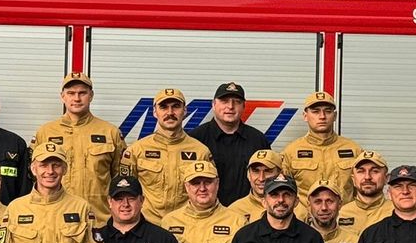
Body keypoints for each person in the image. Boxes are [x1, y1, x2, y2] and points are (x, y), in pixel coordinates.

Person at [30, 72, 126, 224]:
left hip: (99, 220)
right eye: (71, 93)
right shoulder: (45, 132)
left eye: (82, 93)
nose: (76, 98)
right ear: (62, 96)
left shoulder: (110, 132)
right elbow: (34, 178)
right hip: (56, 219)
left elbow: (120, 179)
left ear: (91, 96)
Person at [122, 88, 211, 223]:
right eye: (163, 107)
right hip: (147, 225)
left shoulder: (201, 152)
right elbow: (125, 191)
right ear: (154, 112)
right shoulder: (136, 150)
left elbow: (209, 193)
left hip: (187, 225)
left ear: (185, 111)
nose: (170, 112)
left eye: (176, 106)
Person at [191, 82, 272, 206]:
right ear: (213, 104)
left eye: (237, 102)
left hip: (248, 211)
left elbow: (270, 178)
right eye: (224, 101)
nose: (230, 106)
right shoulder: (196, 139)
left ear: (243, 106)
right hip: (208, 212)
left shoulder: (258, 140)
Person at [281, 91, 362, 203]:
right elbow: (283, 192)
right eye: (315, 111)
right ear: (305, 116)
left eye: (328, 111)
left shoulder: (354, 150)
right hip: (305, 213)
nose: (322, 116)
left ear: (335, 116)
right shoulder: (291, 152)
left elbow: (363, 191)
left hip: (343, 213)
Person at [228, 149, 283, 226]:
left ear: (280, 174)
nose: (261, 178)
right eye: (256, 171)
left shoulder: (294, 208)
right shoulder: (234, 211)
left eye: (267, 171)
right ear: (248, 175)